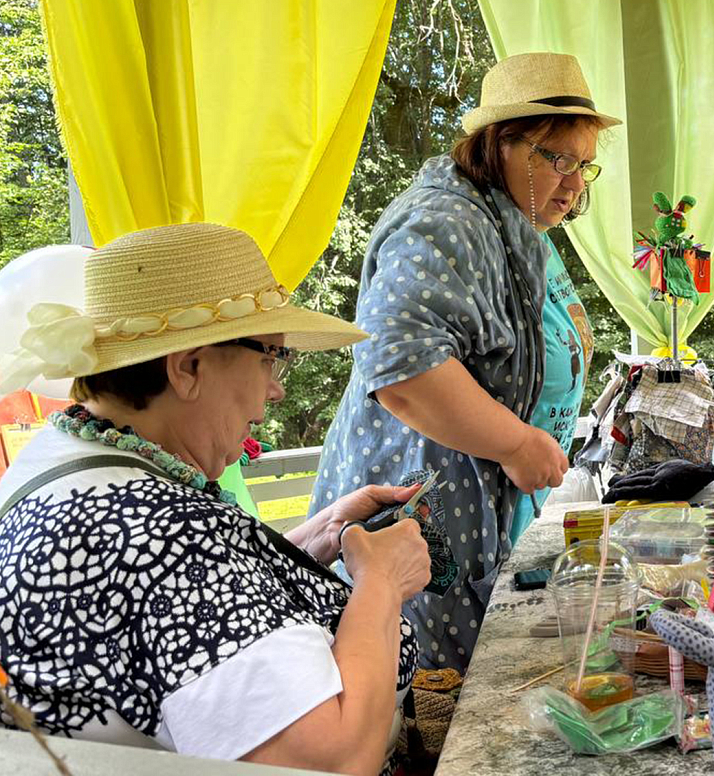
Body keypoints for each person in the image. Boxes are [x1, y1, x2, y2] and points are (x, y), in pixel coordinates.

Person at [0, 224, 431, 776]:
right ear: (189, 368)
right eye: (269, 358)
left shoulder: (63, 457)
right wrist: (382, 583)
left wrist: (313, 541)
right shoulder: (156, 534)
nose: (275, 388)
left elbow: (179, 611)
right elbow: (334, 758)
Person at [309, 52, 619, 670]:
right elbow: (401, 367)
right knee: (421, 714)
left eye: (584, 165)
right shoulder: (446, 220)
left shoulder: (506, 222)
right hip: (410, 527)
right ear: (499, 143)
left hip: (449, 528)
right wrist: (517, 444)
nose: (575, 183)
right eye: (557, 159)